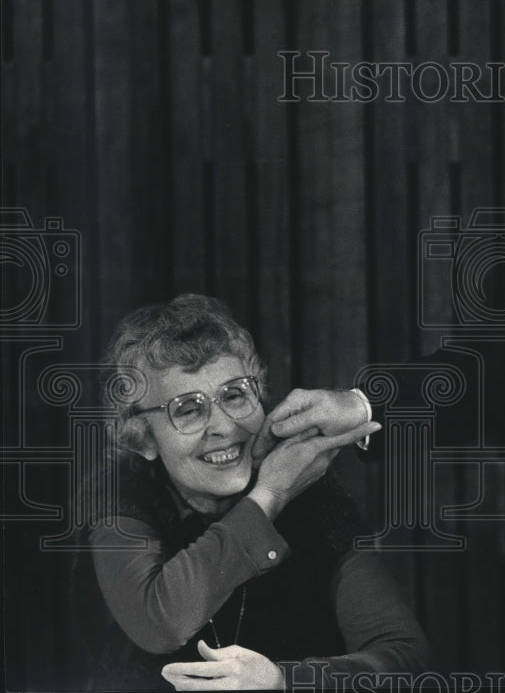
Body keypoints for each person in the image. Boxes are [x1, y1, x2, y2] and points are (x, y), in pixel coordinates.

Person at [80, 294, 431, 691]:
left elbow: (405, 658)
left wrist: (285, 681)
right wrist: (269, 497)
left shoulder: (309, 491)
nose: (226, 427)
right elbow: (161, 621)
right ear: (142, 437)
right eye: (188, 409)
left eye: (234, 395)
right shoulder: (123, 493)